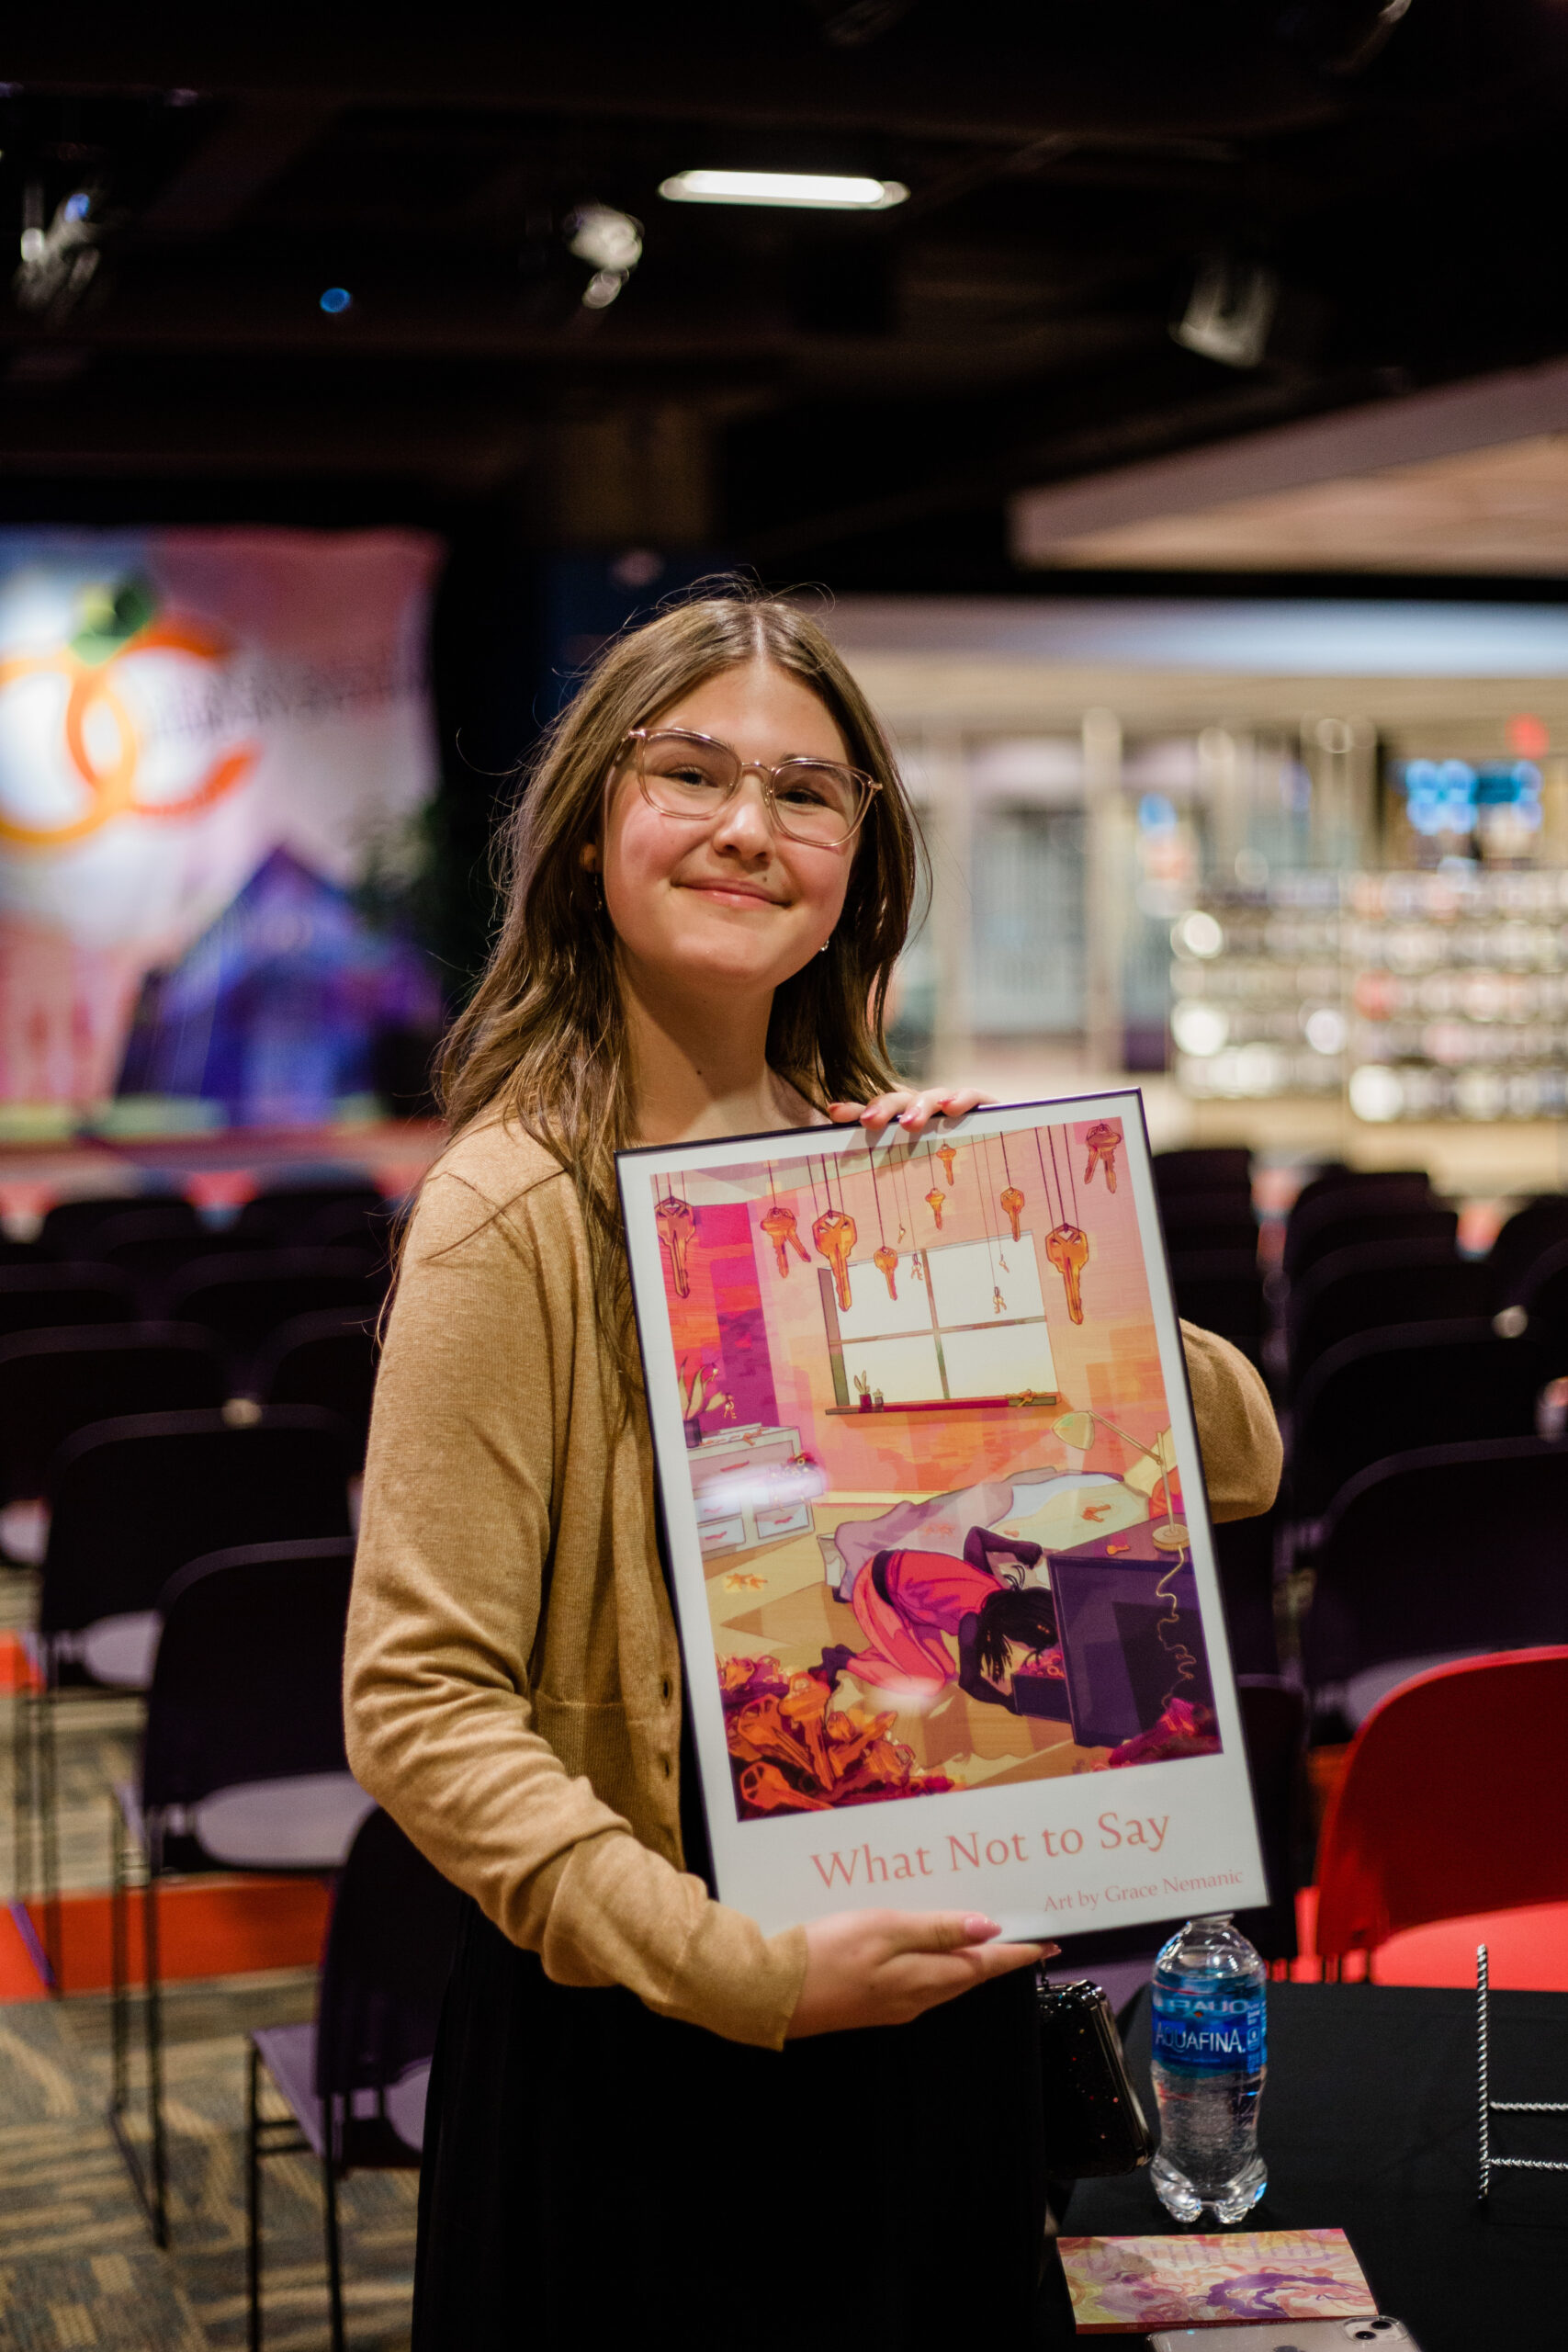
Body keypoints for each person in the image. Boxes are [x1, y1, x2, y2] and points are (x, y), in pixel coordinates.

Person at [343, 590, 1283, 2346]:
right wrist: (746, 1974)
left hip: (930, 2002)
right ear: (588, 824)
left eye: (807, 792)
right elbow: (417, 1701)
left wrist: (1025, 1209)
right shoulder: (510, 1207)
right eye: (689, 770)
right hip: (650, 2039)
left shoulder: (883, 1171)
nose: (746, 829)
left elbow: (1232, 1456)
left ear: (862, 849)